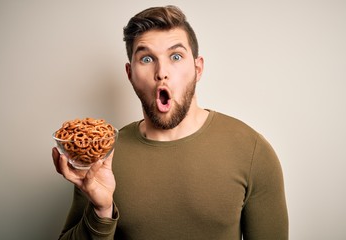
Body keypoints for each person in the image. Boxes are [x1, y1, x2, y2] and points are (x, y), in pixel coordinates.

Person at [52, 5, 288, 240]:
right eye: (146, 58)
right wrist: (101, 212)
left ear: (198, 68)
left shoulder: (252, 150)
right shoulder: (102, 157)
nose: (162, 72)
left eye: (176, 56)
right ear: (130, 74)